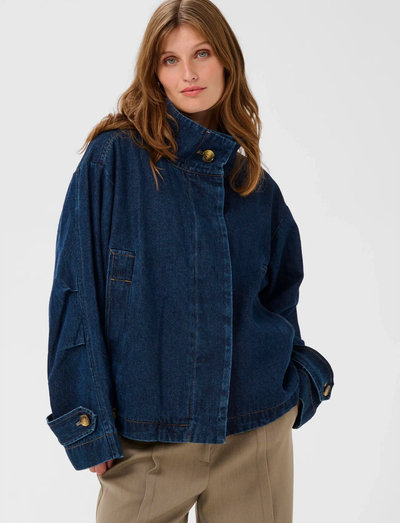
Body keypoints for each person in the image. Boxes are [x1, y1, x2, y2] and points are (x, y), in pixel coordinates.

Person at [45, 0, 334, 521]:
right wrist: (86, 425)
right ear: (154, 72)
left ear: (226, 61)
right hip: (145, 444)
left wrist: (300, 384)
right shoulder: (114, 159)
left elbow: (281, 299)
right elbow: (76, 292)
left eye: (201, 53)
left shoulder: (254, 186)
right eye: (170, 60)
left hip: (255, 436)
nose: (189, 74)